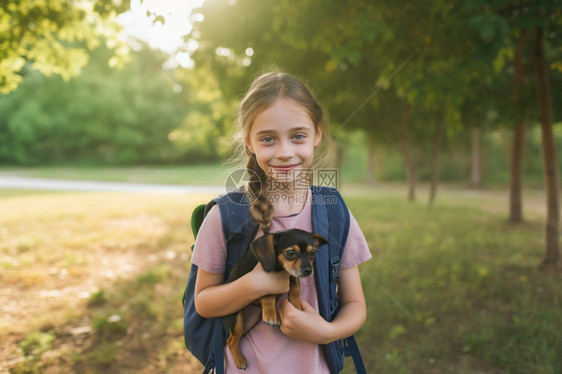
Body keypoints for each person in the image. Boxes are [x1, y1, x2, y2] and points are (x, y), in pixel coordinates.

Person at [191, 71, 371, 373]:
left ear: (317, 134)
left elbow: (356, 306)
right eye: (268, 139)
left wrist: (325, 331)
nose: (285, 153)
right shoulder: (225, 215)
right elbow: (204, 303)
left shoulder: (334, 212)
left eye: (298, 136)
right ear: (249, 142)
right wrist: (253, 284)